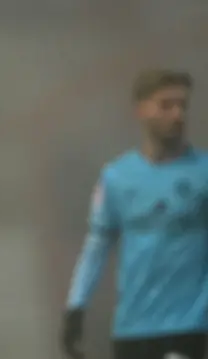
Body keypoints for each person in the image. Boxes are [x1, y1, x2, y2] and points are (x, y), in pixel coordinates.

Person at [62, 69, 208, 359]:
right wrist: (75, 307)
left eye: (182, 106)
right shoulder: (116, 177)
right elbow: (97, 246)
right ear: (141, 110)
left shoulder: (203, 173)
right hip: (133, 329)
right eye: (166, 105)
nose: (177, 114)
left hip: (190, 324)